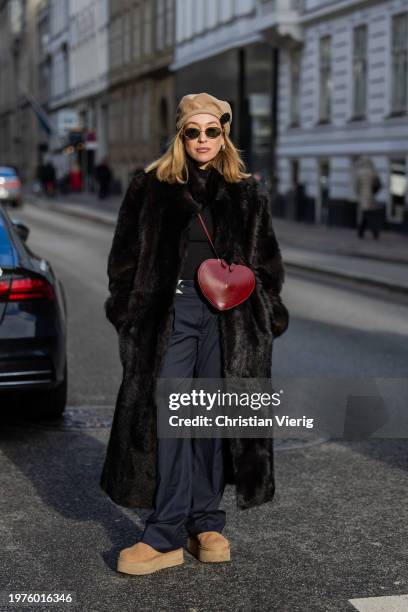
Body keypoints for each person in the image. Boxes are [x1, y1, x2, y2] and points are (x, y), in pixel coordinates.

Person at [101, 92, 289, 576]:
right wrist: (128, 311)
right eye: (193, 132)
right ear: (180, 137)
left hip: (230, 318)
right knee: (170, 421)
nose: (203, 140)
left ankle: (206, 523)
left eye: (212, 131)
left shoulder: (246, 191)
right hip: (171, 313)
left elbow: (267, 261)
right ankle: (164, 533)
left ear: (224, 135)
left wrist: (267, 313)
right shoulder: (150, 187)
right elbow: (123, 260)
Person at [353, 155, 382, 239]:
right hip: (372, 197)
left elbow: (357, 187)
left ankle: (372, 232)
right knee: (368, 215)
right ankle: (364, 232)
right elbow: (378, 185)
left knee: (367, 215)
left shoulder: (360, 173)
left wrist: (359, 195)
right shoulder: (373, 172)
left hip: (363, 198)